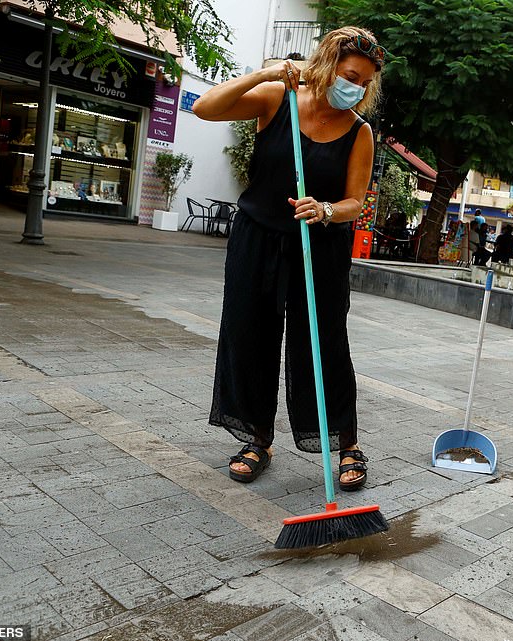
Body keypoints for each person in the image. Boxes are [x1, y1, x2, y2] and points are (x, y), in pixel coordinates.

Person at [192, 27, 386, 490]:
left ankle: (348, 444)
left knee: (323, 345)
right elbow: (205, 107)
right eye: (350, 76)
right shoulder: (276, 100)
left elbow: (355, 203)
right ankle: (258, 438)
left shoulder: (359, 132)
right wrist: (265, 73)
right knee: (251, 335)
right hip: (257, 238)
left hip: (318, 248)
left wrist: (324, 209)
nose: (355, 88)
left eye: (364, 82)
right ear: (326, 66)